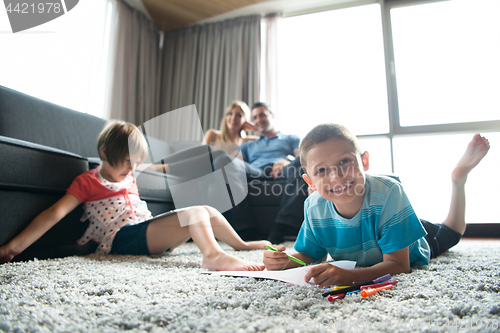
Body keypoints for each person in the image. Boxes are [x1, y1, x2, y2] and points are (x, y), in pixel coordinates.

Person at [0, 120, 270, 271]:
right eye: (127, 161)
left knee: (207, 209)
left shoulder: (128, 175)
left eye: (136, 163)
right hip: (120, 239)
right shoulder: (87, 181)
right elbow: (54, 213)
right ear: (105, 153)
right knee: (194, 212)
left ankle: (241, 245)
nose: (132, 169)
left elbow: (148, 168)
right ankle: (212, 256)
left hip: (146, 234)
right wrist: (13, 248)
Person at [263, 123, 490, 287]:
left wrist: (351, 276)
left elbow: (399, 265)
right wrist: (284, 261)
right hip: (383, 227)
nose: (336, 176)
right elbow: (310, 255)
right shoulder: (313, 206)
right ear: (310, 181)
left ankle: (458, 179)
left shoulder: (390, 192)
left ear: (365, 161)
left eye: (345, 161)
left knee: (451, 233)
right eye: (322, 170)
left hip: (404, 234)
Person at [231, 102, 309, 244]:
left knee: (303, 162)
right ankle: (245, 228)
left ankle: (282, 226)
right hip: (257, 171)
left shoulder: (290, 138)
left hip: (283, 170)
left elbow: (301, 157)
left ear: (272, 116)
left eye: (262, 115)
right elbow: (235, 165)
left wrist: (287, 159)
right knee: (226, 162)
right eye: (255, 117)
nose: (259, 119)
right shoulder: (248, 144)